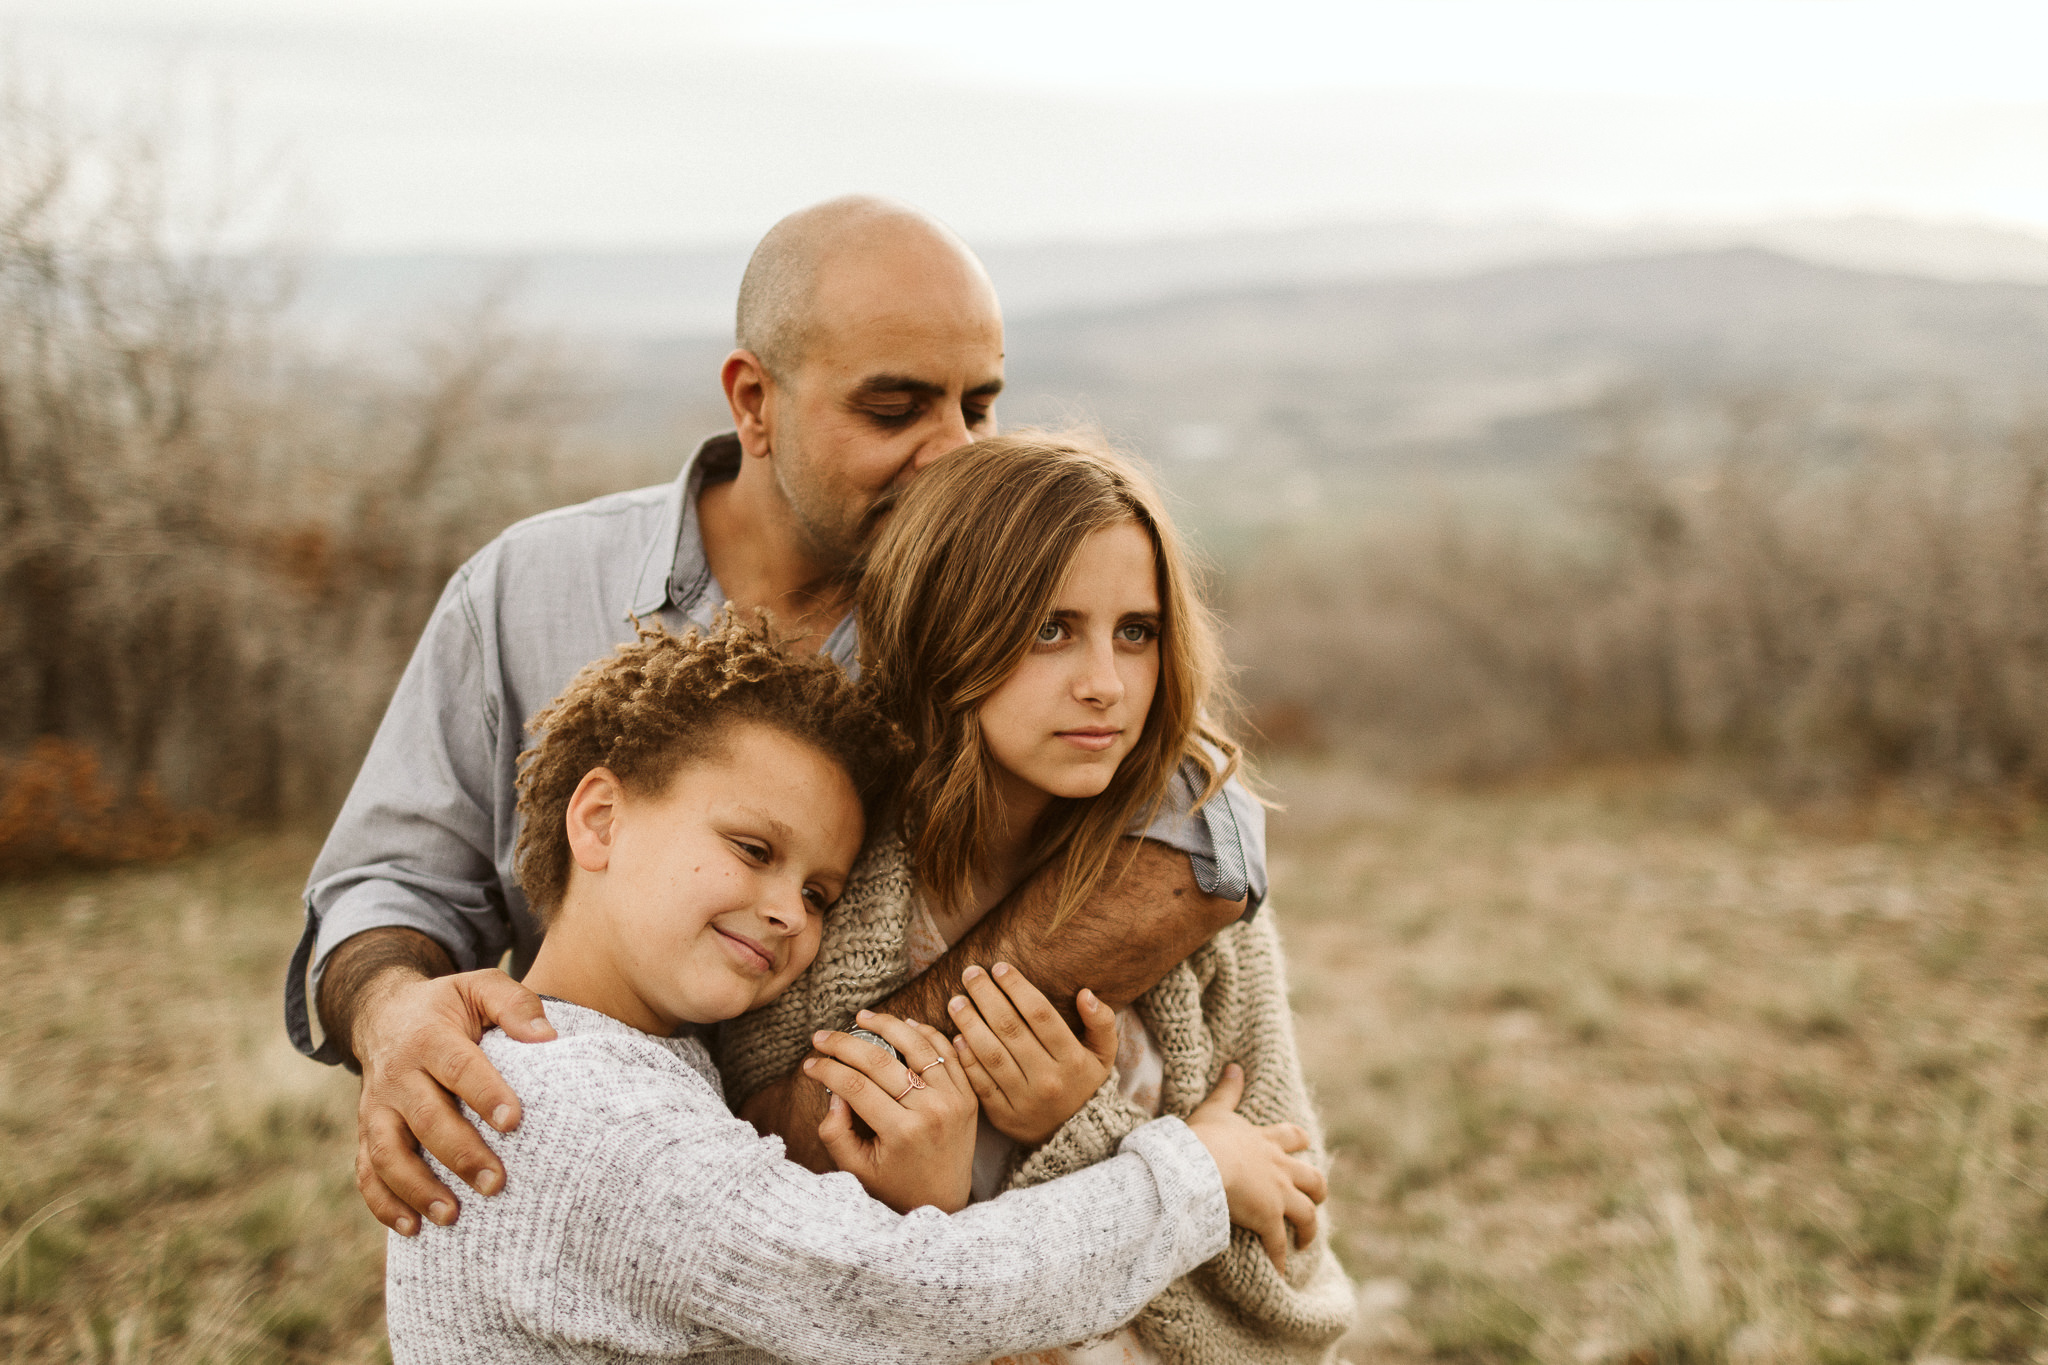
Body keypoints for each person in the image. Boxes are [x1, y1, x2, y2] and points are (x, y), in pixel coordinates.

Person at [287, 195, 1269, 1238]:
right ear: (754, 400)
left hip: (883, 1240)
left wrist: (828, 1101)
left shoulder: (987, 615)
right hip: (570, 1206)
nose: (952, 453)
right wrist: (392, 1012)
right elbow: (389, 880)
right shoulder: (527, 589)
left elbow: (1199, 825)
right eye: (894, 412)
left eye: (978, 408)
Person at [384, 617, 1326, 1365]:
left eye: (820, 893)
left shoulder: (612, 1060)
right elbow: (930, 1296)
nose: (789, 912)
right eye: (752, 849)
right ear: (598, 817)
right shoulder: (579, 1111)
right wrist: (1199, 1174)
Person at [719, 433, 1354, 1364]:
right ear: (947, 627)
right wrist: (1140, 1158)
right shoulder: (827, 894)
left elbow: (1286, 1263)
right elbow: (766, 1259)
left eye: (1134, 632)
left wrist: (1077, 1121)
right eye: (1050, 628)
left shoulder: (1195, 906)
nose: (1105, 684)